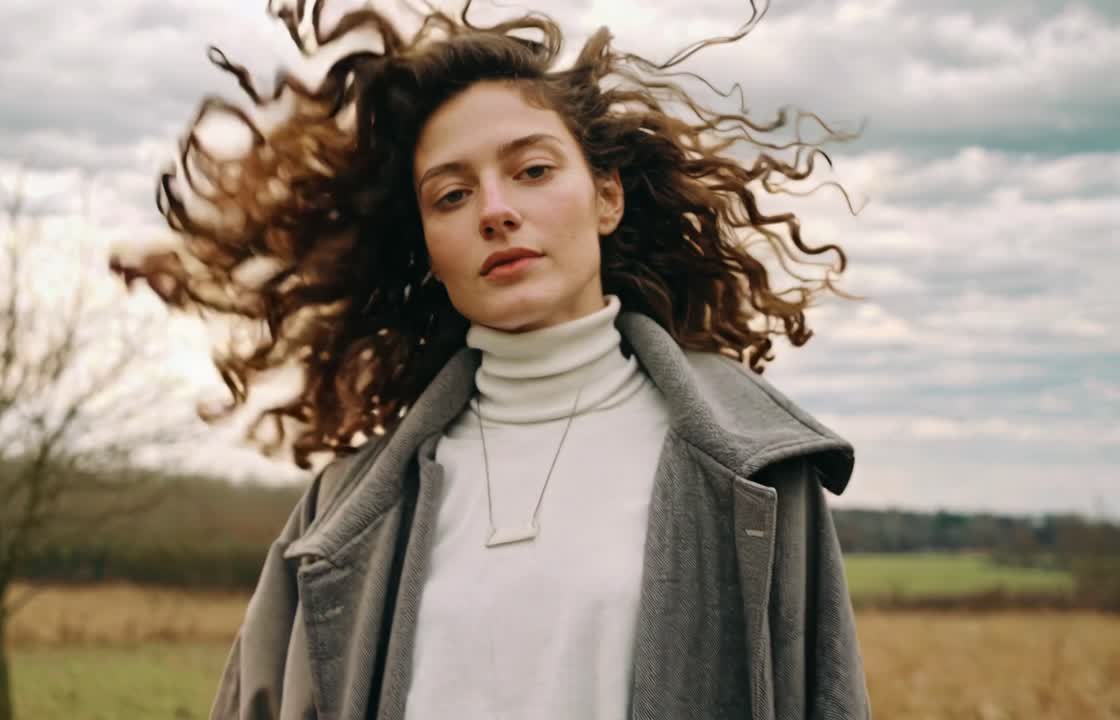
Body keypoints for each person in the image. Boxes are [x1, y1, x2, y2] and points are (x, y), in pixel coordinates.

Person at [113, 1, 871, 718]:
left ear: (606, 198)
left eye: (533, 171)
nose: (495, 210)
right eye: (451, 195)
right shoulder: (340, 513)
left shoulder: (756, 473)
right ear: (429, 251)